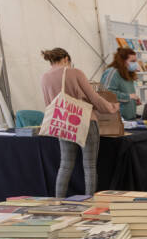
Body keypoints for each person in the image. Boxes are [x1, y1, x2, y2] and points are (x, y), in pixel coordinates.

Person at [40, 48, 117, 197]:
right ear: (66, 59)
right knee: (89, 166)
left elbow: (49, 104)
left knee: (65, 164)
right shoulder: (75, 73)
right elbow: (93, 97)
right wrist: (110, 108)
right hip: (85, 122)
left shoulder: (44, 77)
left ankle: (59, 200)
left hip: (62, 123)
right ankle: (89, 201)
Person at [100, 47, 140, 119]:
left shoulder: (128, 73)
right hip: (116, 120)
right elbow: (105, 93)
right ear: (122, 61)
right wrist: (129, 97)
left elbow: (127, 95)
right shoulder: (112, 72)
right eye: (132, 61)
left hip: (129, 119)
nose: (135, 64)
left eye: (135, 61)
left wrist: (134, 101)